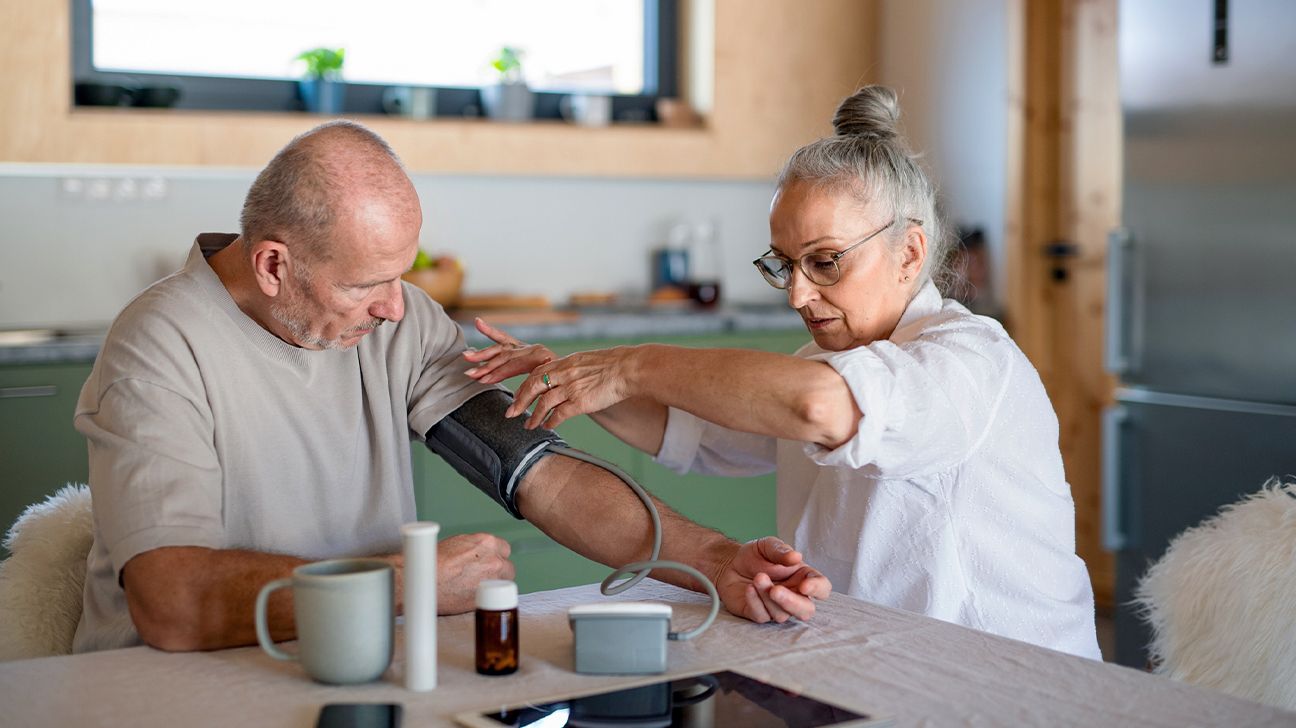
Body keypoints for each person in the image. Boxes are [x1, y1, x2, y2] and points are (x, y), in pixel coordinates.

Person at [72, 120, 830, 654]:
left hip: (345, 664)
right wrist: (399, 585)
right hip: (168, 690)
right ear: (274, 266)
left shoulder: (391, 322)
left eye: (404, 275)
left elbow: (543, 477)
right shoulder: (159, 347)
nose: (397, 308)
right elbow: (170, 605)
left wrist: (715, 560)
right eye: (369, 283)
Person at [464, 86, 1102, 659]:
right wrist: (574, 375)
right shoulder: (822, 366)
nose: (797, 295)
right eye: (784, 264)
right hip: (882, 666)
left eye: (826, 262)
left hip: (1014, 684)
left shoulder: (967, 359)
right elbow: (685, 430)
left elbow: (819, 408)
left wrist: (634, 365)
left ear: (909, 252)